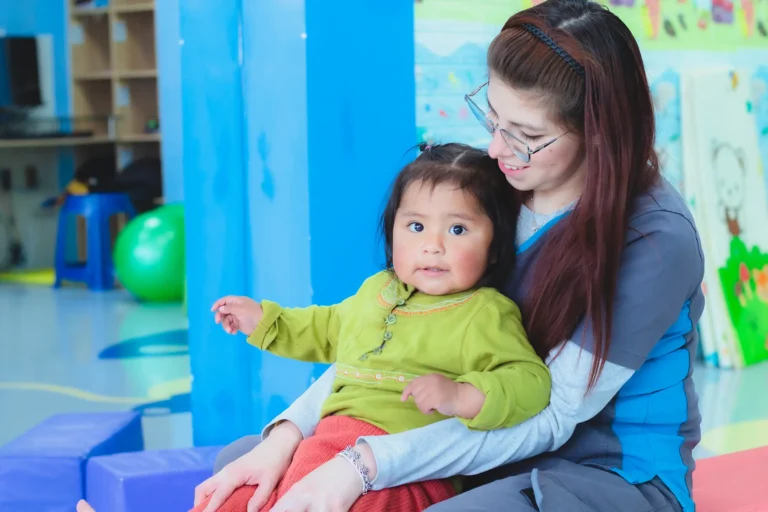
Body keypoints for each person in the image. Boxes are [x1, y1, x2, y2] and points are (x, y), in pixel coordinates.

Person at [205, 0, 705, 511]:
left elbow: (553, 415)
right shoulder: (495, 184)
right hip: (480, 449)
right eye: (493, 118)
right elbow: (388, 336)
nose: (496, 149)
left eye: (526, 136)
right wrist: (289, 435)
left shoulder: (654, 240)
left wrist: (362, 464)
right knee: (245, 467)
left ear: (601, 131)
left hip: (604, 473)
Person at [192, 143, 551, 512]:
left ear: (494, 246)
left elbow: (529, 380)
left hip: (404, 471)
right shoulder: (377, 290)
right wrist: (267, 321)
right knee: (231, 501)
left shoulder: (485, 312)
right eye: (416, 226)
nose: (432, 245)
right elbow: (324, 327)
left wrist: (464, 395)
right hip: (325, 446)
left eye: (458, 229)